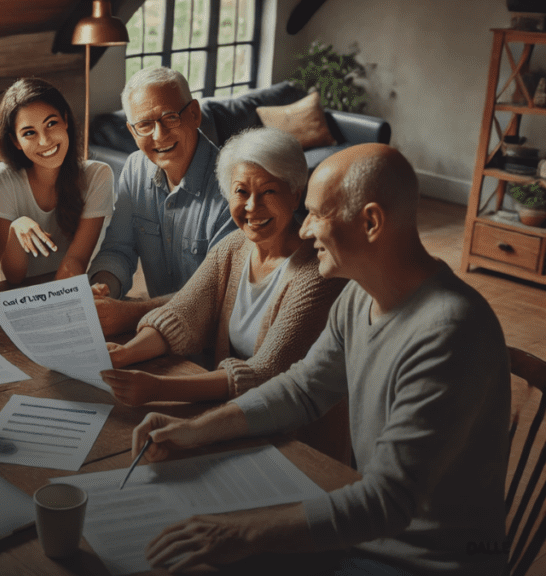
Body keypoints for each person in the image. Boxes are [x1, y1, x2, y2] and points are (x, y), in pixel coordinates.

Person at [132, 144, 510, 576]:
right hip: (368, 536)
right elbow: (302, 388)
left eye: (316, 213)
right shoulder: (359, 293)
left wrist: (241, 533)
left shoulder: (449, 331)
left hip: (423, 562)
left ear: (370, 222)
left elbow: (386, 502)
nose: (306, 230)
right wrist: (194, 431)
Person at [101, 128, 348, 412]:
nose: (252, 207)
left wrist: (159, 388)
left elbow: (267, 373)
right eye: (241, 191)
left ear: (295, 195)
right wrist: (125, 353)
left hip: (299, 436)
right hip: (236, 415)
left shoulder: (317, 273)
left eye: (269, 191)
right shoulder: (233, 246)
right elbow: (183, 313)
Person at [87, 66, 237, 336]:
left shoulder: (234, 187)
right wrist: (102, 289)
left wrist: (131, 314)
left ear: (194, 114)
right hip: (154, 335)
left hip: (214, 345)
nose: (159, 135)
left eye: (170, 118)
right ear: (132, 132)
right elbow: (118, 249)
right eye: (144, 124)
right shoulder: (135, 169)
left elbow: (215, 294)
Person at [0, 77, 114, 283]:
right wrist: (15, 227)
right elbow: (13, 277)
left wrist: (55, 302)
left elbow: (76, 261)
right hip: (9, 293)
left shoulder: (98, 175)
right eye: (29, 133)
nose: (45, 141)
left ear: (65, 120)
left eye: (51, 123)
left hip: (63, 284)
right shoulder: (0, 178)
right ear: (15, 141)